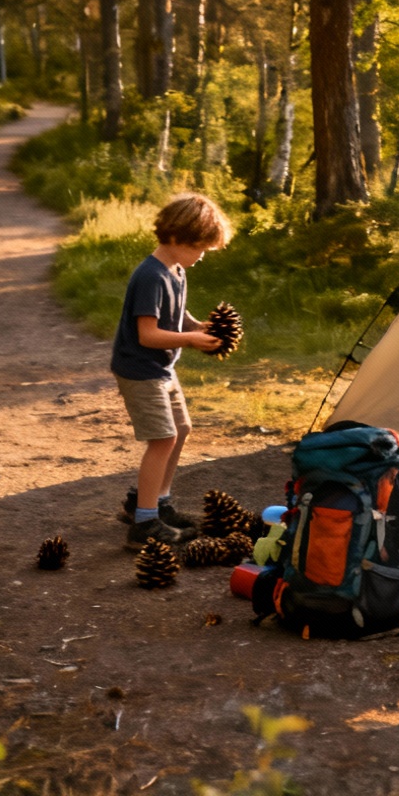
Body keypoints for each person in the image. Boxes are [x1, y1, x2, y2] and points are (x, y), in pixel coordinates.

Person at [111, 193, 233, 548]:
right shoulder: (150, 276)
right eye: (200, 248)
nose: (202, 256)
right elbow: (147, 334)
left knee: (181, 429)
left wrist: (196, 324)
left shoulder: (175, 270)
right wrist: (191, 340)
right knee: (163, 438)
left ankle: (155, 503)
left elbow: (175, 313)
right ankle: (144, 525)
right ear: (178, 238)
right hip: (140, 368)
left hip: (162, 367)